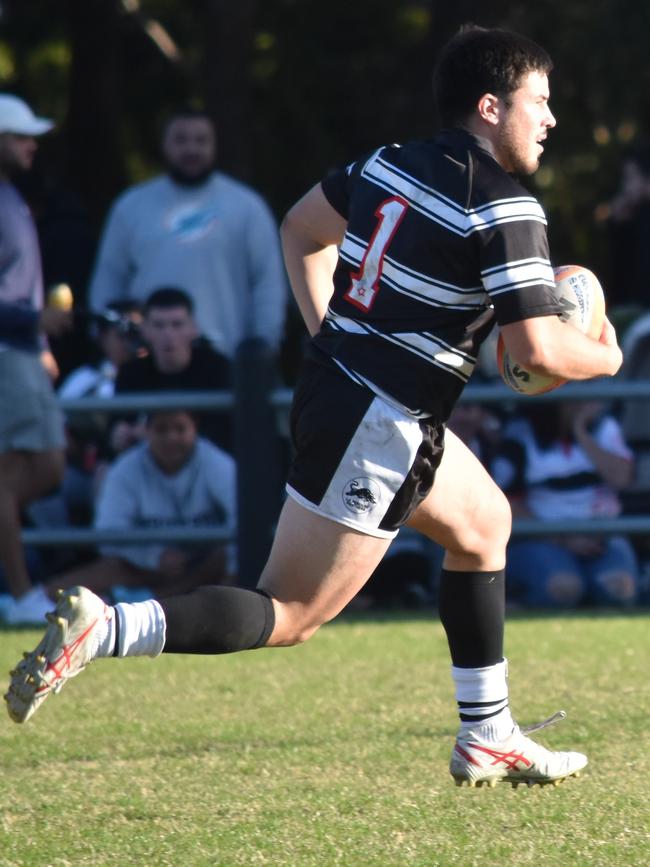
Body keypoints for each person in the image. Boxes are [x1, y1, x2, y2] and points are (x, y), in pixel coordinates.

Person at [5, 28, 623, 789]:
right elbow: (536, 355)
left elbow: (301, 229)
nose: (552, 118)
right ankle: (109, 625)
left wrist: (335, 336)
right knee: (290, 611)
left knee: (484, 523)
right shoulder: (504, 205)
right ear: (491, 107)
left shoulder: (390, 161)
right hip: (382, 421)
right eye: (541, 101)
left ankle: (487, 733)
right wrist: (609, 353)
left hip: (351, 394)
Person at [88, 108, 288, 361]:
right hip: (148, 361)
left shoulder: (247, 206)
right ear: (164, 144)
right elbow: (110, 276)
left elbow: (267, 280)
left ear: (215, 145)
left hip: (227, 358)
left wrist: (263, 342)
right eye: (180, 140)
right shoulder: (131, 206)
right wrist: (107, 333)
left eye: (201, 140)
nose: (191, 149)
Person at [0, 95, 73, 625]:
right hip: (7, 352)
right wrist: (33, 326)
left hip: (23, 353)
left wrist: (40, 345)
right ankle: (21, 591)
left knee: (48, 468)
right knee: (7, 476)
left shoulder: (11, 197)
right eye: (21, 136)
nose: (32, 145)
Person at [39, 410, 237, 602]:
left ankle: (156, 603)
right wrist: (154, 557)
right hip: (146, 569)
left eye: (180, 429)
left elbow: (242, 520)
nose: (171, 438)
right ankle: (35, 602)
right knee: (104, 571)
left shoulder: (217, 463)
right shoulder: (126, 468)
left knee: (226, 558)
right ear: (147, 431)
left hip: (203, 564)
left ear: (195, 429)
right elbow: (108, 533)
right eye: (161, 429)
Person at [492, 401, 639, 608]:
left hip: (601, 535)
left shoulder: (603, 427)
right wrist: (564, 539)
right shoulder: (521, 434)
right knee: (564, 588)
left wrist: (581, 432)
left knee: (619, 588)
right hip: (540, 537)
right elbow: (510, 506)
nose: (585, 403)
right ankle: (517, 603)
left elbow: (622, 478)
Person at [112, 287, 232, 454]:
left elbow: (226, 435)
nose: (168, 334)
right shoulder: (130, 374)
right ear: (145, 330)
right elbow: (116, 426)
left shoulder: (219, 370)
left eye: (177, 325)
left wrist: (155, 437)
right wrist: (117, 437)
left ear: (193, 328)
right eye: (159, 325)